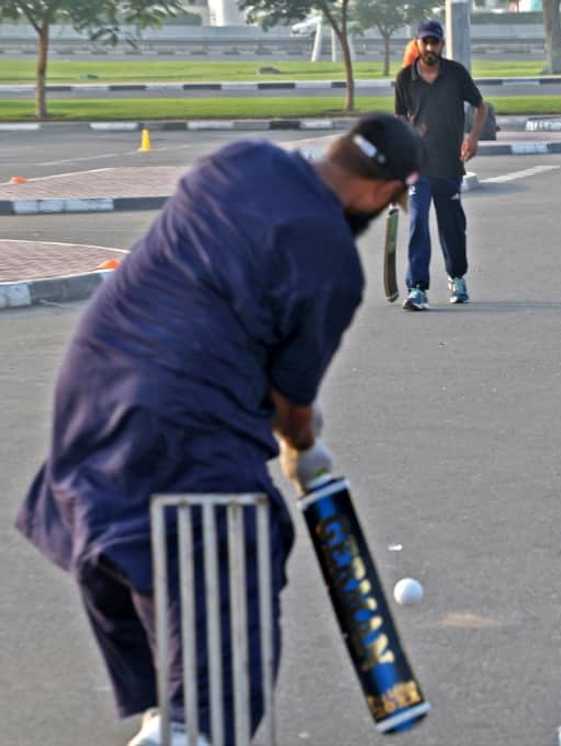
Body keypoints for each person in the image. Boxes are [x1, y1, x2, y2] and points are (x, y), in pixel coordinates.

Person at [15, 114, 422, 746]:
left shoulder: (242, 161)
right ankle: (190, 728)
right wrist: (304, 450)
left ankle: (166, 717)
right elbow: (291, 402)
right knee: (230, 558)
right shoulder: (332, 261)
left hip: (90, 387)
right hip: (185, 418)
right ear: (380, 191)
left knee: (136, 546)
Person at [394, 19, 488, 311]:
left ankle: (457, 278)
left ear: (442, 44)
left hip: (449, 165)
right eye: (426, 42)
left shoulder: (456, 74)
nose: (430, 47)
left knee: (452, 226)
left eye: (435, 42)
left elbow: (480, 106)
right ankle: (417, 288)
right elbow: (399, 119)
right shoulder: (405, 78)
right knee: (418, 222)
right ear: (417, 44)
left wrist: (473, 138)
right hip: (418, 166)